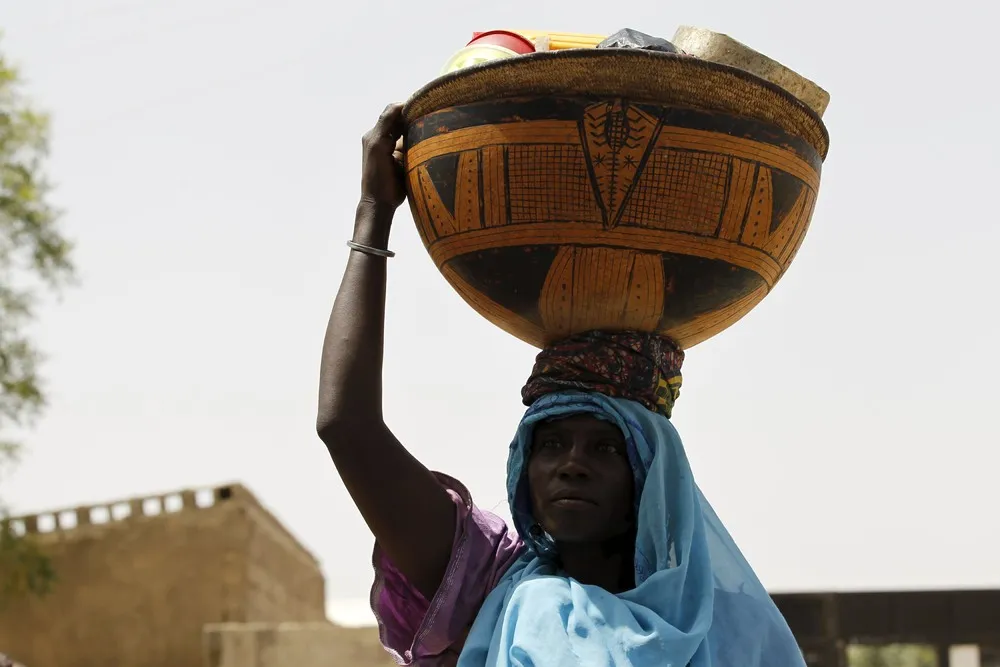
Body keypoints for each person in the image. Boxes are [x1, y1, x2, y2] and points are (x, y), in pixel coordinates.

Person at [316, 104, 807, 667]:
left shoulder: (731, 632)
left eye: (604, 447)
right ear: (523, 467)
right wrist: (374, 212)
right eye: (550, 445)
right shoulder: (481, 581)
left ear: (651, 479)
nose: (571, 465)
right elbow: (345, 427)